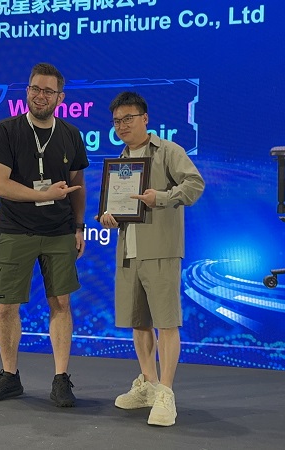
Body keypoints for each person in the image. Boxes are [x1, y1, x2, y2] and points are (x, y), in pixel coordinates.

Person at [0, 62, 88, 407]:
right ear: (27, 91)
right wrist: (44, 194)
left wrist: (79, 226)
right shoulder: (5, 130)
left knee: (61, 303)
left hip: (59, 231)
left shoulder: (71, 134)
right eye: (35, 89)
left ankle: (61, 379)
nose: (41, 96)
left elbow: (78, 185)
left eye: (48, 91)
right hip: (16, 230)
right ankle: (9, 376)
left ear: (60, 97)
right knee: (6, 306)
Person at [99, 91, 204, 426]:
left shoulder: (168, 151)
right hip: (128, 251)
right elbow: (117, 205)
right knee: (139, 322)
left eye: (128, 118)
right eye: (117, 121)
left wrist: (160, 197)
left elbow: (195, 184)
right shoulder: (120, 160)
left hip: (161, 249)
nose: (122, 126)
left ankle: (166, 393)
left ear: (145, 118)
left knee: (166, 322)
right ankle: (149, 384)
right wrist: (108, 216)